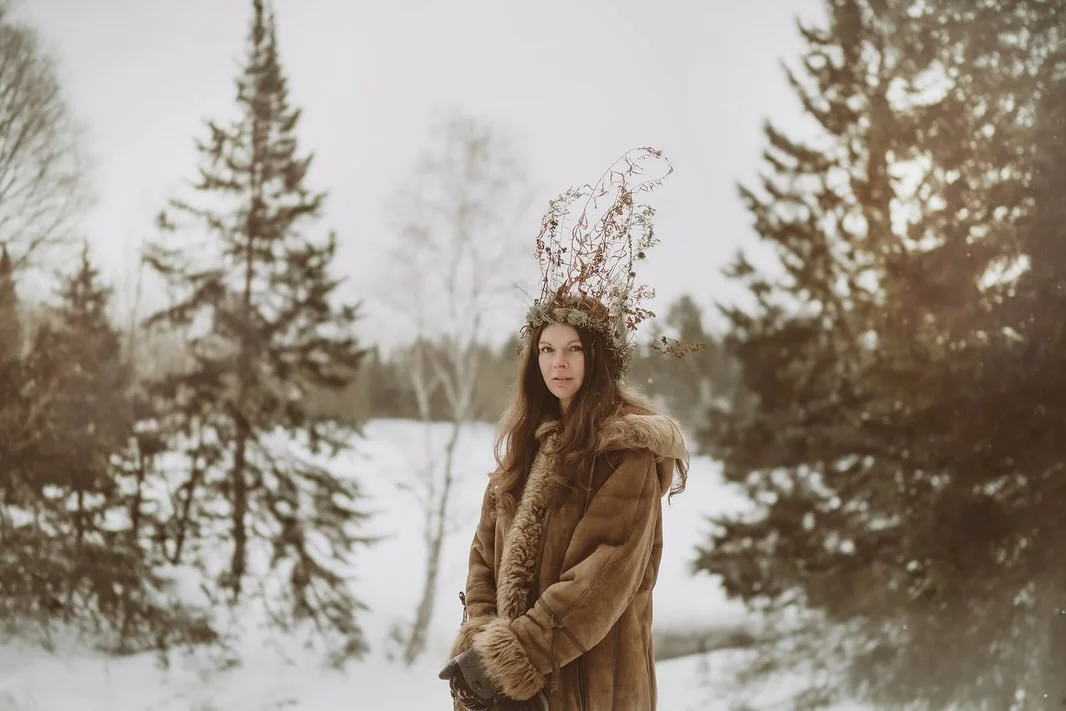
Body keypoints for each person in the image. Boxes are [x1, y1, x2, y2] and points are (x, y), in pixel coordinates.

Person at [438, 148, 696, 711]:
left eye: (573, 349)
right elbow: (483, 555)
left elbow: (601, 576)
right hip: (515, 693)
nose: (558, 363)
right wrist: (482, 641)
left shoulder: (626, 452)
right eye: (547, 350)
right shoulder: (525, 447)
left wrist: (515, 655)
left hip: (593, 686)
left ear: (595, 358)